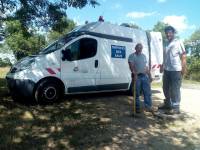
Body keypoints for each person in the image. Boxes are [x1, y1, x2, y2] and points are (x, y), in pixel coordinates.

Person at [159, 26, 187, 114]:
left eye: (170, 32)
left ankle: (176, 107)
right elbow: (165, 56)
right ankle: (168, 104)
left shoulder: (178, 42)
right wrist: (162, 65)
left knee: (175, 89)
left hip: (176, 70)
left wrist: (183, 68)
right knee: (165, 88)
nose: (168, 34)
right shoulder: (166, 43)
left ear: (173, 33)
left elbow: (183, 56)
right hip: (167, 70)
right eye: (166, 33)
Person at [128, 43, 153, 113]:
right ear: (135, 48)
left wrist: (150, 76)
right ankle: (137, 107)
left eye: (141, 48)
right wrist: (134, 73)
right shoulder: (132, 56)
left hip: (144, 76)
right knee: (136, 93)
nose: (140, 49)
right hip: (137, 76)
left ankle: (148, 106)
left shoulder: (144, 56)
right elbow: (131, 66)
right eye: (138, 48)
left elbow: (146, 67)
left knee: (147, 92)